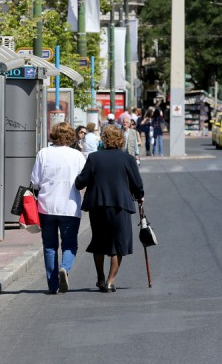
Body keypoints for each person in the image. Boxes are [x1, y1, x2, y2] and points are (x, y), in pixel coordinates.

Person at [75, 126, 145, 293]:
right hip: (120, 205)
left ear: (104, 140)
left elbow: (80, 182)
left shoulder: (94, 157)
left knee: (99, 241)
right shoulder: (127, 159)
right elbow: (137, 183)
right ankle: (110, 281)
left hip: (97, 205)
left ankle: (100, 276)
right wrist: (139, 196)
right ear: (121, 140)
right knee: (118, 242)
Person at [30, 122, 86, 294]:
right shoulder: (77, 156)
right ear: (71, 136)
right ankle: (65, 268)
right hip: (69, 206)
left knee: (49, 245)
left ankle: (52, 285)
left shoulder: (43, 153)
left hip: (46, 206)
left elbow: (35, 181)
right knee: (69, 244)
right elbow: (84, 180)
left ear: (53, 135)